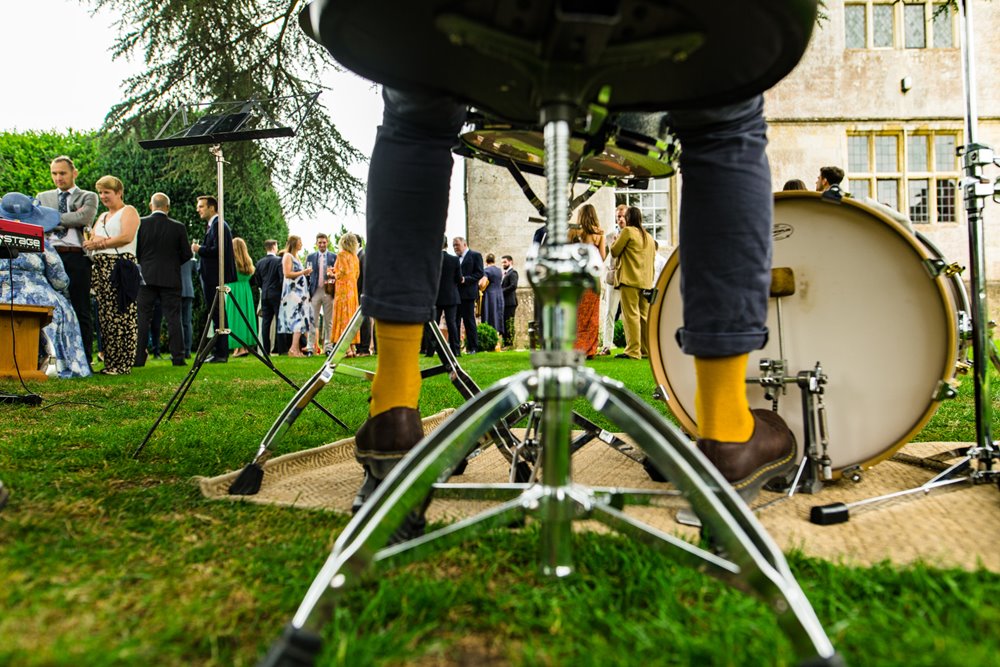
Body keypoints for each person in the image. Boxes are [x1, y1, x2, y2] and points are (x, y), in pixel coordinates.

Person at [353, 88, 795, 539]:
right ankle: (726, 432)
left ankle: (393, 416)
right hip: (648, 60)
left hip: (476, 51)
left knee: (417, 117)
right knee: (723, 123)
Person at [0, 192, 91, 378]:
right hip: (40, 299)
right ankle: (54, 365)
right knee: (61, 311)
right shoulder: (40, 244)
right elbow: (60, 280)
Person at [36, 156, 98, 366]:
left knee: (81, 307)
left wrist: (50, 218)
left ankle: (84, 360)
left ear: (74, 173)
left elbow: (83, 218)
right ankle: (48, 359)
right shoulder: (42, 197)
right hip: (50, 255)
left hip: (77, 257)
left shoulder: (88, 196)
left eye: (62, 173)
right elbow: (37, 221)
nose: (58, 178)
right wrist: (68, 218)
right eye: (54, 173)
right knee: (47, 308)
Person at [82, 175, 140, 376]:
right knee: (105, 317)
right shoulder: (101, 216)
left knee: (122, 314)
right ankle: (110, 362)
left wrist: (99, 243)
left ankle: (123, 364)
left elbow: (126, 237)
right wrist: (93, 243)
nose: (103, 196)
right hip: (100, 267)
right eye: (100, 193)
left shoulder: (128, 211)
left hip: (120, 266)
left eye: (107, 192)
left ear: (118, 192)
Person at [134, 192, 191, 368]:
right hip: (170, 278)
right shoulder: (178, 227)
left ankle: (138, 358)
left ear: (151, 206)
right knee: (174, 318)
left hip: (146, 276)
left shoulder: (141, 224)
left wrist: (144, 264)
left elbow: (135, 250)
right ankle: (178, 357)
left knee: (142, 317)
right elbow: (187, 254)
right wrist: (173, 263)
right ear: (167, 207)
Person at [191, 195, 236, 363]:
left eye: (201, 206)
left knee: (218, 314)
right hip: (210, 276)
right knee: (216, 313)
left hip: (214, 276)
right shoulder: (214, 225)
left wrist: (199, 249)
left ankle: (221, 353)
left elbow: (218, 250)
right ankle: (219, 351)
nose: (198, 209)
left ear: (212, 207)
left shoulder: (219, 224)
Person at [610, 207, 656, 360]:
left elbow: (614, 252)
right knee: (644, 316)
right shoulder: (648, 237)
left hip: (630, 279)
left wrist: (614, 242)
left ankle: (632, 351)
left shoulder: (628, 231)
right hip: (646, 281)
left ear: (629, 218)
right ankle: (646, 349)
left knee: (630, 315)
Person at [568, 204, 606, 359]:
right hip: (592, 277)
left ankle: (575, 347)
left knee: (576, 313)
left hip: (577, 276)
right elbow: (602, 257)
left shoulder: (573, 231)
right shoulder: (599, 233)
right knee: (592, 315)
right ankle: (590, 349)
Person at [277, 235, 313, 358]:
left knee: (301, 320)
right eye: (300, 242)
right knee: (296, 320)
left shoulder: (296, 257)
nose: (301, 244)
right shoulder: (287, 256)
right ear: (294, 243)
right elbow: (287, 274)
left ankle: (296, 349)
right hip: (292, 293)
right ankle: (293, 349)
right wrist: (304, 272)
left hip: (300, 293)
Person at [598, 204, 627, 355]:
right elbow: (606, 257)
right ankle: (607, 345)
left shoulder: (633, 235)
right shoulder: (610, 236)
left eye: (623, 216)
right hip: (613, 277)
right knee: (610, 312)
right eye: (618, 217)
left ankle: (632, 346)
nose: (620, 219)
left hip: (628, 278)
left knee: (629, 313)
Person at [329, 233, 361, 356]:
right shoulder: (354, 257)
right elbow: (356, 274)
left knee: (343, 318)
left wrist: (332, 274)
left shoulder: (342, 255)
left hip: (342, 290)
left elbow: (342, 272)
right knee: (351, 318)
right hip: (353, 290)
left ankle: (346, 349)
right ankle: (352, 348)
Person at [226, 237, 258, 357]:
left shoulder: (231, 262)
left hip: (233, 290)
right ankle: (243, 347)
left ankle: (239, 348)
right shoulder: (248, 262)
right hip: (245, 291)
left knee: (234, 318)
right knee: (245, 318)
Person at [306, 233, 336, 354]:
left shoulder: (334, 257)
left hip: (328, 291)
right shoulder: (310, 257)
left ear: (327, 242)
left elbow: (337, 274)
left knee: (329, 321)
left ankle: (328, 347)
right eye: (320, 242)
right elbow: (308, 277)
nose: (322, 245)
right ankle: (310, 348)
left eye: (324, 242)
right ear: (316, 243)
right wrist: (308, 292)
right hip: (315, 291)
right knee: (313, 320)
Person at [453, 236, 483, 354]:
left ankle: (473, 347)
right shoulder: (455, 259)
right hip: (456, 295)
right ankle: (456, 348)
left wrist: (465, 279)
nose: (455, 248)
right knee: (455, 321)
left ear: (464, 244)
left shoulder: (475, 255)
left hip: (468, 294)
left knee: (469, 321)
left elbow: (480, 273)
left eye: (457, 245)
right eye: (454, 245)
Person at [253, 240, 284, 355]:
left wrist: (264, 288)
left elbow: (258, 281)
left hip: (265, 295)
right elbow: (281, 279)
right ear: (274, 246)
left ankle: (265, 350)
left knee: (265, 323)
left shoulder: (259, 263)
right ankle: (280, 349)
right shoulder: (279, 261)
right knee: (279, 322)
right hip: (276, 294)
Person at [479, 253, 504, 342]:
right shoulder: (499, 270)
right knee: (497, 315)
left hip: (489, 295)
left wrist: (479, 287)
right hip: (499, 295)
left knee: (489, 315)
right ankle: (497, 338)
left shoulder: (486, 270)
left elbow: (482, 283)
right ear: (494, 260)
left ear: (486, 261)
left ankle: (490, 339)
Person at [179, 256, 197, 358]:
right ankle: (187, 350)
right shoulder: (191, 258)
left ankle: (180, 350)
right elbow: (196, 270)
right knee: (187, 322)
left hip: (177, 290)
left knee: (178, 322)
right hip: (189, 290)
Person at [500, 254, 518, 348]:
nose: (503, 264)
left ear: (510, 262)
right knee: (504, 323)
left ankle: (509, 343)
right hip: (504, 302)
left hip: (510, 303)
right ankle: (505, 342)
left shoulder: (513, 273)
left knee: (509, 323)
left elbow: (513, 286)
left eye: (505, 262)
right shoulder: (504, 274)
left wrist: (501, 291)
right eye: (502, 262)